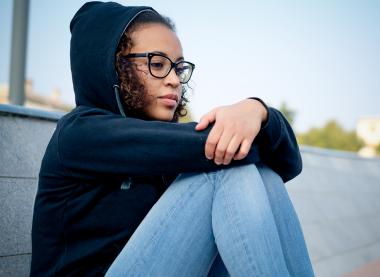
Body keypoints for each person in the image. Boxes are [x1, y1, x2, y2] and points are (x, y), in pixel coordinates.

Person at [30, 1, 315, 276]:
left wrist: (260, 111)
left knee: (261, 171)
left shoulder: (163, 144)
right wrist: (258, 114)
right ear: (114, 67)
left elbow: (287, 164)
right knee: (223, 163)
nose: (175, 80)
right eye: (157, 64)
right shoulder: (81, 133)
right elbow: (237, 149)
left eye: (178, 68)